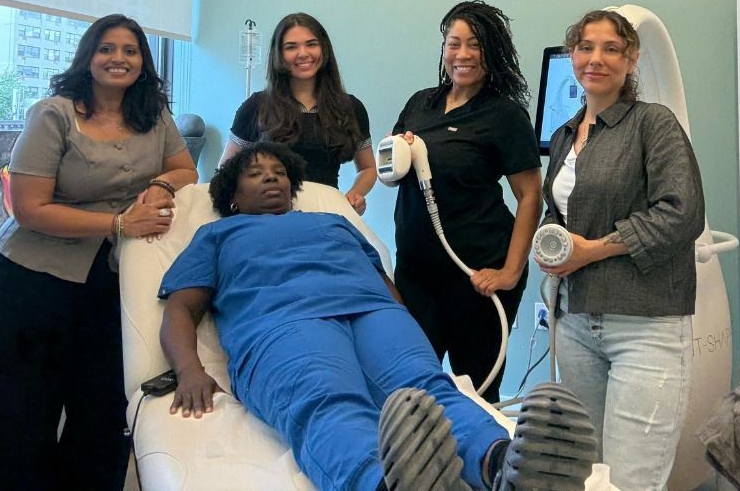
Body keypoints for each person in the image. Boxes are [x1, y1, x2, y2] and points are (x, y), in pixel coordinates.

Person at [159, 142, 595, 491]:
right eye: (255, 173)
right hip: (283, 324)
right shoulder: (217, 234)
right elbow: (181, 306)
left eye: (278, 171)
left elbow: (382, 280)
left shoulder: (333, 222)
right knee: (328, 401)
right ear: (232, 197)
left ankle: (502, 464)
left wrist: (399, 322)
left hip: (375, 314)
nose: (271, 177)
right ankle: (383, 481)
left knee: (426, 391)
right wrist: (189, 370)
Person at [0, 14, 198, 491]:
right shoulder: (54, 114)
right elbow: (29, 208)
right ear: (88, 57)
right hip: (31, 281)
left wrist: (162, 184)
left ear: (143, 62)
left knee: (103, 417)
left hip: (112, 280)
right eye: (107, 48)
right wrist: (119, 223)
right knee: (22, 420)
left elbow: (187, 170)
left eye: (130, 50)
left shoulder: (153, 115)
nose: (119, 58)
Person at [538, 9, 705, 491]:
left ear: (631, 60)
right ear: (572, 56)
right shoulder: (564, 136)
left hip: (644, 325)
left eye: (611, 49)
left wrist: (591, 251)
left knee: (630, 481)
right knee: (588, 474)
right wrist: (551, 243)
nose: (596, 59)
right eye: (586, 47)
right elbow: (558, 212)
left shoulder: (653, 124)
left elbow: (681, 213)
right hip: (576, 324)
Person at [390, 0, 542, 403]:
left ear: (492, 52)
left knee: (475, 394)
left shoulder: (504, 116)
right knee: (413, 388)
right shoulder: (420, 104)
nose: (463, 54)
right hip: (415, 274)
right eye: (454, 43)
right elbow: (392, 171)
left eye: (475, 44)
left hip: (476, 275)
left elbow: (530, 195)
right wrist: (400, 150)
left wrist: (510, 271)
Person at [219, 12, 376, 214]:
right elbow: (225, 172)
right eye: (291, 47)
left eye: (311, 44)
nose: (303, 53)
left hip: (326, 214)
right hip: (268, 216)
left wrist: (355, 195)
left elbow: (368, 168)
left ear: (324, 48)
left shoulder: (351, 108)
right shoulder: (256, 106)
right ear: (279, 55)